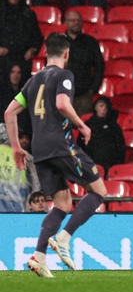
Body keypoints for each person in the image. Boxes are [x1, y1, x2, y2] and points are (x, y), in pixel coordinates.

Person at [4, 33, 109, 278]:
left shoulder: (31, 82)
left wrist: (17, 147)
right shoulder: (64, 75)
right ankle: (63, 238)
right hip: (61, 145)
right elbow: (62, 104)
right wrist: (81, 125)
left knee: (62, 203)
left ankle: (39, 256)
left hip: (39, 150)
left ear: (45, 53)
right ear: (66, 54)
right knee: (99, 191)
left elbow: (9, 113)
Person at [63, 10, 105, 116]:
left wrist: (93, 89)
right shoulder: (58, 42)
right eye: (72, 20)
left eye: (78, 20)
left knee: (84, 129)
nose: (76, 23)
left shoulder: (90, 42)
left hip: (84, 96)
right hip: (63, 95)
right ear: (66, 23)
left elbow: (99, 66)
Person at [0, 0, 42, 82]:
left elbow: (37, 36)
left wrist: (33, 49)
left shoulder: (29, 14)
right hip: (3, 58)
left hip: (23, 58)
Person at [78, 96, 125, 174]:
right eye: (101, 106)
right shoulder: (87, 125)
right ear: (95, 107)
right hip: (89, 164)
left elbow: (120, 147)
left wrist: (116, 166)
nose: (104, 109)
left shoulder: (113, 126)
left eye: (106, 107)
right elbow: (80, 145)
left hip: (109, 165)